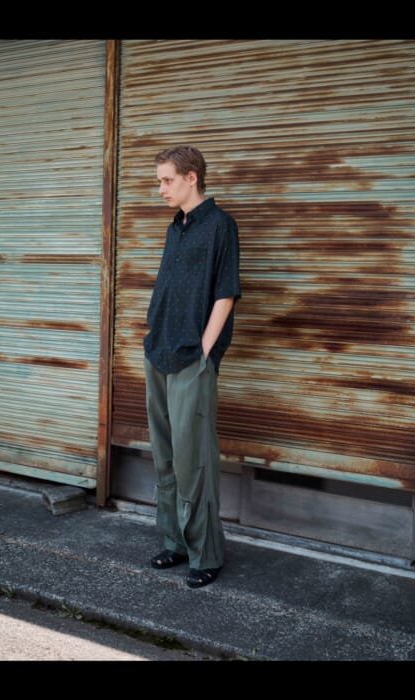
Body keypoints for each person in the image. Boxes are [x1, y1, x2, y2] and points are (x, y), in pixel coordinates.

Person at [143, 145, 241, 589]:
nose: (160, 188)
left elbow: (226, 293)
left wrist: (205, 351)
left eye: (166, 180)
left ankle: (206, 554)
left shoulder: (220, 225)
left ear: (191, 178)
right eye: (159, 181)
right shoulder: (175, 227)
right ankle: (175, 542)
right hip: (159, 352)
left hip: (191, 358)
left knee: (193, 460)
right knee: (164, 457)